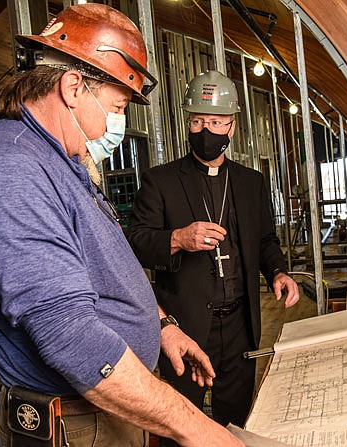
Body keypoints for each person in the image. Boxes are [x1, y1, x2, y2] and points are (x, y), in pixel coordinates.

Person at [0, 5, 244, 447]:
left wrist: (162, 328)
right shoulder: (8, 172)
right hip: (77, 423)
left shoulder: (62, 164)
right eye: (117, 106)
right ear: (72, 86)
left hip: (109, 410)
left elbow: (103, 273)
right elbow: (70, 336)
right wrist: (203, 431)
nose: (115, 123)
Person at [127, 70, 300, 432]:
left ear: (232, 127)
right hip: (184, 324)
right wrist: (177, 238)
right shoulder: (160, 181)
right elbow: (135, 241)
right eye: (199, 120)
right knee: (180, 421)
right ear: (188, 124)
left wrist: (279, 272)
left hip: (240, 322)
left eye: (217, 121)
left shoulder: (251, 183)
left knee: (235, 419)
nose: (207, 130)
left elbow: (265, 239)